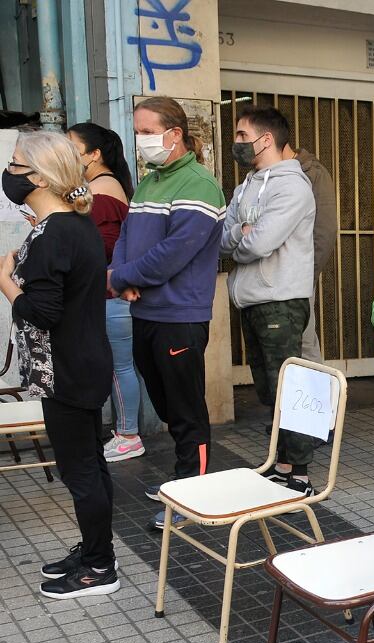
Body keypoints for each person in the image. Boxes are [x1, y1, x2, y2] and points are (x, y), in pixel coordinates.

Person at [1, 132, 117, 598]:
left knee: (80, 471)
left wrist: (7, 284)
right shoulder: (72, 225)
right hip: (83, 362)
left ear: (41, 177)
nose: (8, 174)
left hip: (67, 370)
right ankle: (94, 548)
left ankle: (98, 567)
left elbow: (43, 312)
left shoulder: (58, 233)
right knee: (91, 465)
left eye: (14, 165)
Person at [109, 97, 224, 528]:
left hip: (179, 315)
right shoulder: (149, 182)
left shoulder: (199, 184)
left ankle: (191, 495)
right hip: (145, 312)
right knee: (165, 402)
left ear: (174, 134)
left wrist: (123, 278)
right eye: (136, 132)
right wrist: (123, 273)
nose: (140, 141)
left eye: (146, 132)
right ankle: (182, 479)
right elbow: (126, 236)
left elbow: (173, 252)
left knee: (186, 407)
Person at [221, 106, 317, 496]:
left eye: (243, 136)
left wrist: (243, 236)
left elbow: (258, 241)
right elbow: (222, 236)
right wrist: (242, 235)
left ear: (266, 140)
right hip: (252, 299)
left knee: (287, 387)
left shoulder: (292, 186)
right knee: (268, 388)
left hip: (281, 299)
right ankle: (282, 463)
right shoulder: (245, 186)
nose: (237, 143)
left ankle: (301, 473)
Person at [67, 122, 144, 463]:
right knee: (116, 367)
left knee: (120, 367)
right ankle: (124, 433)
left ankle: (129, 436)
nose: (66, 154)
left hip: (112, 296)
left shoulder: (103, 188)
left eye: (72, 147)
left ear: (94, 154)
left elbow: (100, 247)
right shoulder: (95, 186)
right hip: (107, 294)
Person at [283, 141, 336, 364]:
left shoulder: (312, 172)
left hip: (298, 275)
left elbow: (324, 231)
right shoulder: (259, 174)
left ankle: (319, 397)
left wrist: (307, 273)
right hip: (267, 279)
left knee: (304, 345)